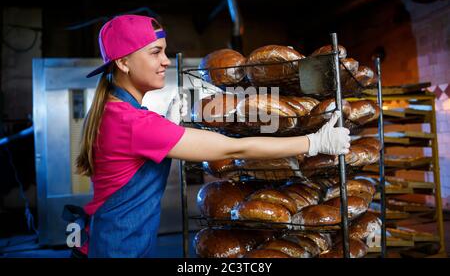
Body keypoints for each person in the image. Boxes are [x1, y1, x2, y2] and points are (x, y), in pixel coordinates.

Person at [67, 14, 350, 258]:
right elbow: (233, 150)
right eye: (155, 52)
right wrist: (314, 142)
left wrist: (164, 126)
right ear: (124, 63)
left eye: (165, 51)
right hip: (117, 249)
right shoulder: (132, 122)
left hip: (108, 239)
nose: (165, 61)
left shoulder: (117, 110)